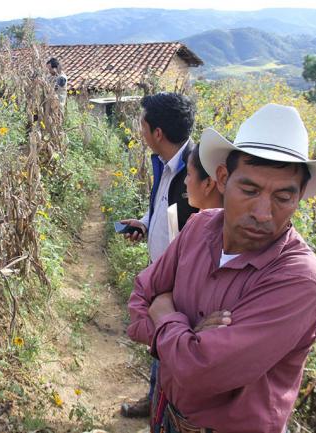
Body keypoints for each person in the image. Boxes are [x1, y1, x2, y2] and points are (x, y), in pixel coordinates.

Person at [127, 103, 316, 433]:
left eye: (283, 197)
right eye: (249, 190)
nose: (262, 213)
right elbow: (140, 300)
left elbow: (200, 372)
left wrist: (166, 313)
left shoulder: (299, 279)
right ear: (223, 179)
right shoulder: (199, 227)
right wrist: (189, 336)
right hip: (166, 413)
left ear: (300, 196)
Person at [119, 92, 198, 418]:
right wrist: (145, 223)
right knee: (159, 342)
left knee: (170, 342)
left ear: (158, 133)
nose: (140, 131)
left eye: (142, 125)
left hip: (182, 282)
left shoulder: (197, 172)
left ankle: (164, 411)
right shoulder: (166, 164)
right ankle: (154, 401)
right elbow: (165, 210)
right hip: (163, 272)